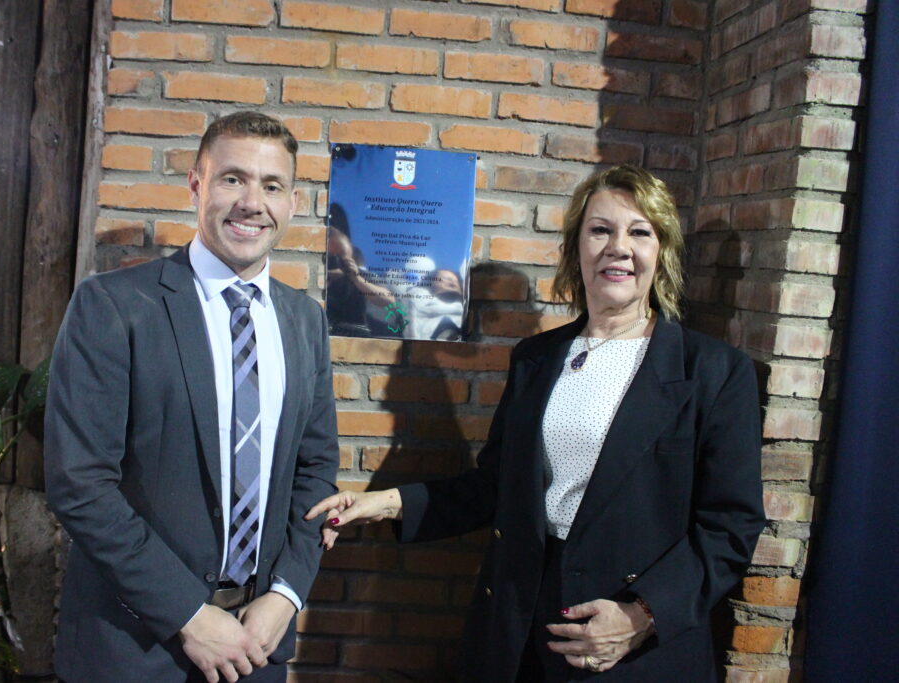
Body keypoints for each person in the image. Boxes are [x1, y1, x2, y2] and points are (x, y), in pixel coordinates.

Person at [307, 165, 766, 682]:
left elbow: (730, 529)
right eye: (600, 230)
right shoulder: (537, 358)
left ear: (661, 252)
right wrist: (384, 503)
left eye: (640, 232)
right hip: (519, 626)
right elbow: (495, 485)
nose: (618, 248)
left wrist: (641, 616)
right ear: (576, 248)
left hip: (632, 646)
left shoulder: (713, 372)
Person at [45, 111, 339, 683]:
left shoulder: (305, 321)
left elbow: (316, 469)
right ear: (196, 185)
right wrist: (188, 615)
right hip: (133, 647)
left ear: (292, 202)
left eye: (271, 186)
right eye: (232, 179)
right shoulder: (113, 306)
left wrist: (286, 594)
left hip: (257, 642)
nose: (251, 202)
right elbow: (79, 483)